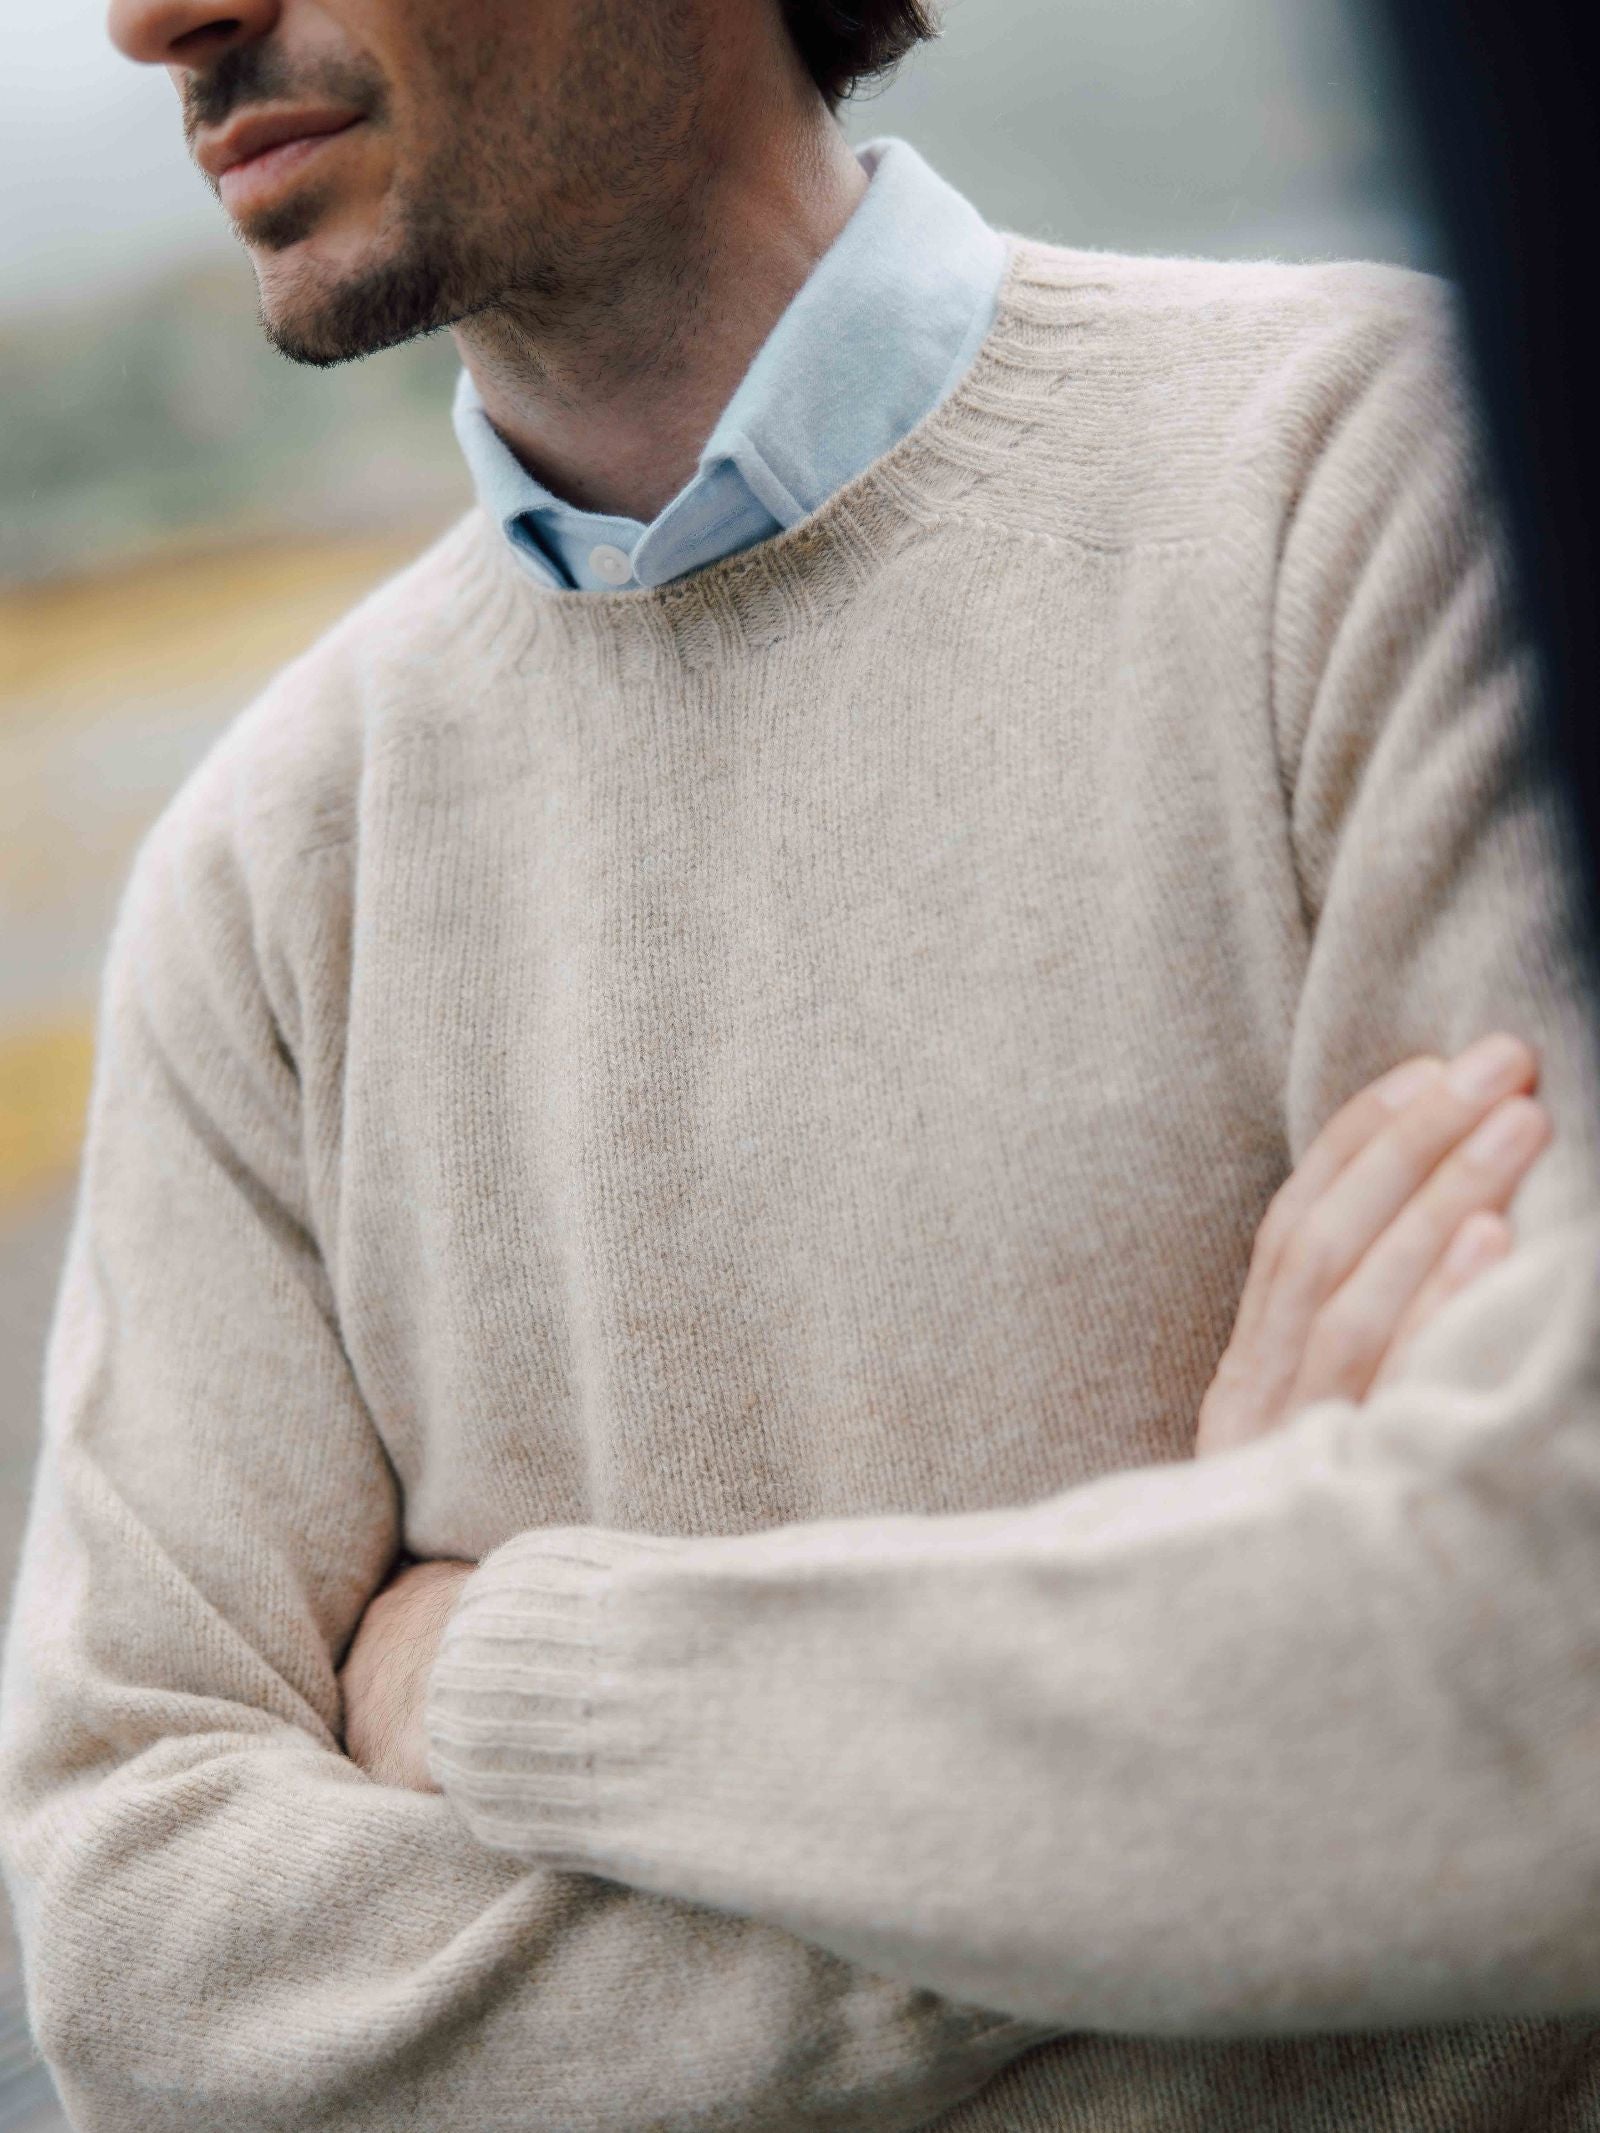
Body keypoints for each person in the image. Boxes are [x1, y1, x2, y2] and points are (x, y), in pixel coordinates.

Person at [0, 0, 1597, 2124]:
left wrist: (508, 1681)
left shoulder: (1382, 483)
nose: (149, 18)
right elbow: (146, 1969)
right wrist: (1179, 1775)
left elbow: (1533, 1690)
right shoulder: (263, 868)